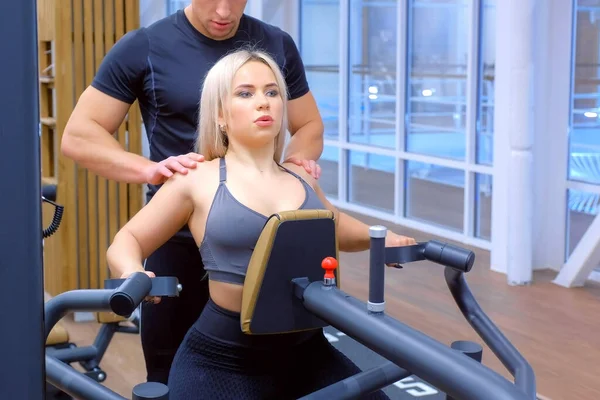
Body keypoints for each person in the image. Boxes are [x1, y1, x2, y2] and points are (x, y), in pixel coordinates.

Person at [106, 49, 416, 399]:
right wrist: (133, 271)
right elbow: (127, 238)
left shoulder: (301, 175)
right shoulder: (196, 178)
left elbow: (335, 225)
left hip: (308, 352)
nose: (263, 102)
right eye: (245, 93)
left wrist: (382, 238)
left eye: (272, 93)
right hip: (223, 359)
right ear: (220, 114)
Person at [60, 1, 324, 384]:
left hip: (258, 237)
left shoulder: (274, 43)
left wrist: (296, 168)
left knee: (281, 371)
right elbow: (80, 135)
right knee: (173, 375)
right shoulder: (145, 46)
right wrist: (149, 169)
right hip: (180, 238)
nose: (223, 11)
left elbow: (309, 124)